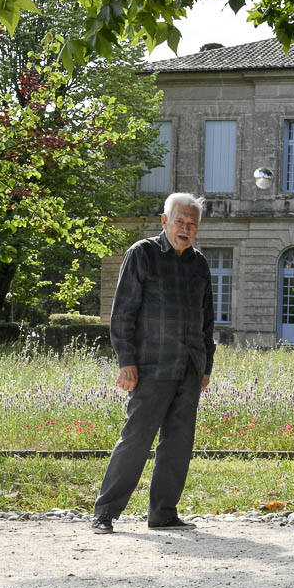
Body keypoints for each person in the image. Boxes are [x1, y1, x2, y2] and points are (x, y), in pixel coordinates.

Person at [91, 193, 215, 533]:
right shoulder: (141, 254)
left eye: (192, 224)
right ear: (165, 221)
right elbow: (123, 313)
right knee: (136, 440)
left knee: (177, 444)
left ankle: (163, 512)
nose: (185, 229)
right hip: (151, 366)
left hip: (189, 367)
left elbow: (207, 319)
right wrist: (125, 361)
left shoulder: (199, 263)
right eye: (180, 221)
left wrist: (206, 365)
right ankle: (105, 513)